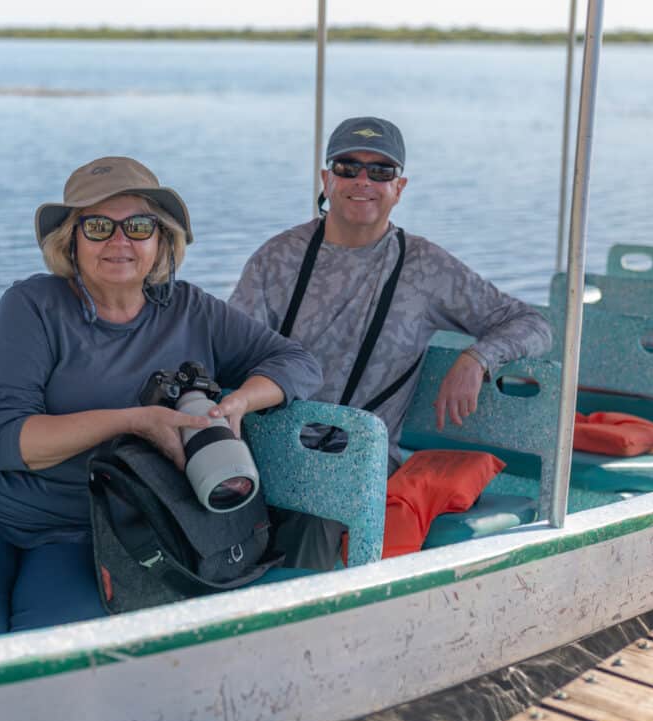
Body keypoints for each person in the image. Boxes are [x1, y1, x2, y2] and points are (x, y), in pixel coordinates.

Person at [0, 157, 322, 648]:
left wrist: (240, 402)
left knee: (54, 648)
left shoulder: (190, 310)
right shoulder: (32, 306)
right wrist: (134, 421)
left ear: (161, 240)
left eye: (138, 226)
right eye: (98, 226)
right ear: (71, 241)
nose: (120, 241)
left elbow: (297, 362)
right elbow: (2, 440)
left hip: (85, 527)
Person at [230, 117, 551, 567]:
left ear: (399, 188)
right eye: (348, 167)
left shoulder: (426, 267)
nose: (363, 181)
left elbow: (532, 324)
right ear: (326, 179)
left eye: (380, 171)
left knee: (312, 523)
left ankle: (310, 610)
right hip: (266, 450)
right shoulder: (277, 257)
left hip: (356, 463)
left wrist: (477, 358)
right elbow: (230, 352)